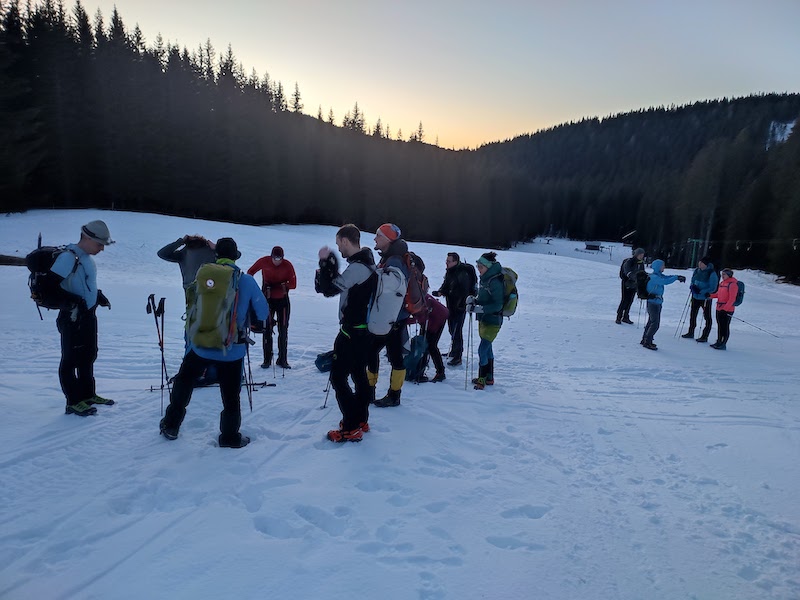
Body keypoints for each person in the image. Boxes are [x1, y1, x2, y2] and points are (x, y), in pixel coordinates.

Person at [159, 238, 268, 448]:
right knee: (230, 395)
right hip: (231, 349)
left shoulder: (204, 273)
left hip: (200, 345)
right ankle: (229, 437)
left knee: (184, 381)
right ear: (236, 256)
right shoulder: (245, 280)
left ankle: (171, 425)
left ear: (216, 256)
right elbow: (262, 311)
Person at [314, 224, 377, 442]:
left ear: (345, 241)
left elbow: (332, 289)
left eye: (338, 243)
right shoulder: (368, 264)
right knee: (359, 375)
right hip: (363, 332)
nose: (338, 248)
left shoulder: (359, 268)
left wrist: (325, 263)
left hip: (351, 332)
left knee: (338, 377)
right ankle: (360, 419)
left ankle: (351, 426)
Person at [51, 220, 115, 416]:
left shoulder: (85, 257)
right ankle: (73, 401)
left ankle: (88, 394)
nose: (102, 248)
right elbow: (51, 288)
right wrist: (73, 302)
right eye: (99, 244)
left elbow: (83, 282)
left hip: (87, 314)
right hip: (72, 317)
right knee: (70, 359)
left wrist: (98, 295)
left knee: (88, 355)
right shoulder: (67, 258)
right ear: (86, 238)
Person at [369, 223, 411, 408]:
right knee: (390, 355)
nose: (375, 238)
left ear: (388, 239)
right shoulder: (393, 258)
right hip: (394, 317)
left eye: (378, 235)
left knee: (379, 353)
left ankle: (386, 394)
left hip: (391, 317)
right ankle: (390, 394)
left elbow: (389, 290)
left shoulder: (394, 261)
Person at [247, 246, 297, 369]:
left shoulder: (287, 265)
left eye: (279, 259)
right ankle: (267, 360)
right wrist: (258, 291)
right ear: (271, 256)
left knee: (283, 330)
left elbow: (294, 284)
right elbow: (250, 273)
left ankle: (282, 359)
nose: (277, 261)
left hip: (283, 301)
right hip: (267, 300)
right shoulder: (264, 261)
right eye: (275, 258)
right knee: (267, 329)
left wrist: (283, 286)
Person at [467, 252, 505, 390]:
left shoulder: (495, 281)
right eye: (477, 266)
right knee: (488, 349)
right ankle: (489, 378)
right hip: (484, 320)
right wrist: (474, 300)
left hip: (493, 321)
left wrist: (481, 309)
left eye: (480, 266)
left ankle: (481, 380)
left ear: (488, 267)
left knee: (482, 349)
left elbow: (498, 305)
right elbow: (483, 298)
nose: (478, 269)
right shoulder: (485, 279)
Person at [432, 252, 477, 365]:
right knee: (452, 329)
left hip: (460, 306)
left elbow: (462, 291)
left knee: (457, 330)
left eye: (449, 261)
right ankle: (454, 351)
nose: (446, 263)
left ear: (455, 262)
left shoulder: (462, 273)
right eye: (446, 261)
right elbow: (447, 284)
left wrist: (447, 293)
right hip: (451, 305)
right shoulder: (450, 271)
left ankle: (458, 356)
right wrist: (441, 291)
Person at [640, 259, 686, 350]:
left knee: (651, 321)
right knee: (655, 323)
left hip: (656, 302)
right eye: (662, 265)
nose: (664, 267)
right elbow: (665, 281)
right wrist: (676, 278)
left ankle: (645, 339)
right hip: (653, 303)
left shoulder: (658, 275)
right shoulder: (654, 277)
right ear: (658, 267)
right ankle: (647, 341)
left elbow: (666, 277)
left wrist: (677, 276)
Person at [681, 256, 719, 343]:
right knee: (693, 315)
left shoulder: (711, 273)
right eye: (699, 262)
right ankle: (691, 332)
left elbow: (713, 287)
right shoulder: (697, 270)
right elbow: (693, 280)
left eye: (701, 263)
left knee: (707, 317)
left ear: (706, 264)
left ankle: (704, 336)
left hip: (705, 298)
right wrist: (692, 286)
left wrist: (701, 291)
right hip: (695, 297)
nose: (699, 264)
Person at [414, 294, 449, 383]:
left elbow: (421, 317)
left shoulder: (415, 297)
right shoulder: (414, 293)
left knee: (431, 345)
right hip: (432, 315)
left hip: (437, 317)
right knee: (425, 343)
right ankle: (420, 370)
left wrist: (409, 320)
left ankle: (440, 372)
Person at [709, 268, 739, 350]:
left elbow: (732, 299)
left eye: (724, 274)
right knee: (720, 325)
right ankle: (719, 341)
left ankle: (723, 343)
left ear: (729, 275)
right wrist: (710, 295)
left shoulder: (733, 284)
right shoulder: (722, 283)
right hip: (719, 308)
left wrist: (725, 309)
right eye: (722, 274)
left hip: (727, 309)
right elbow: (718, 294)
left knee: (725, 326)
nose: (722, 276)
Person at [616, 247, 645, 324]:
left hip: (635, 284)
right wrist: (635, 277)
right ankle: (619, 316)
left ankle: (626, 316)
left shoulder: (641, 263)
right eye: (640, 254)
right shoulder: (629, 261)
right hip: (626, 283)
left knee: (630, 300)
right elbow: (627, 272)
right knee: (625, 299)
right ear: (636, 254)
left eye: (642, 255)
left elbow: (642, 272)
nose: (642, 256)